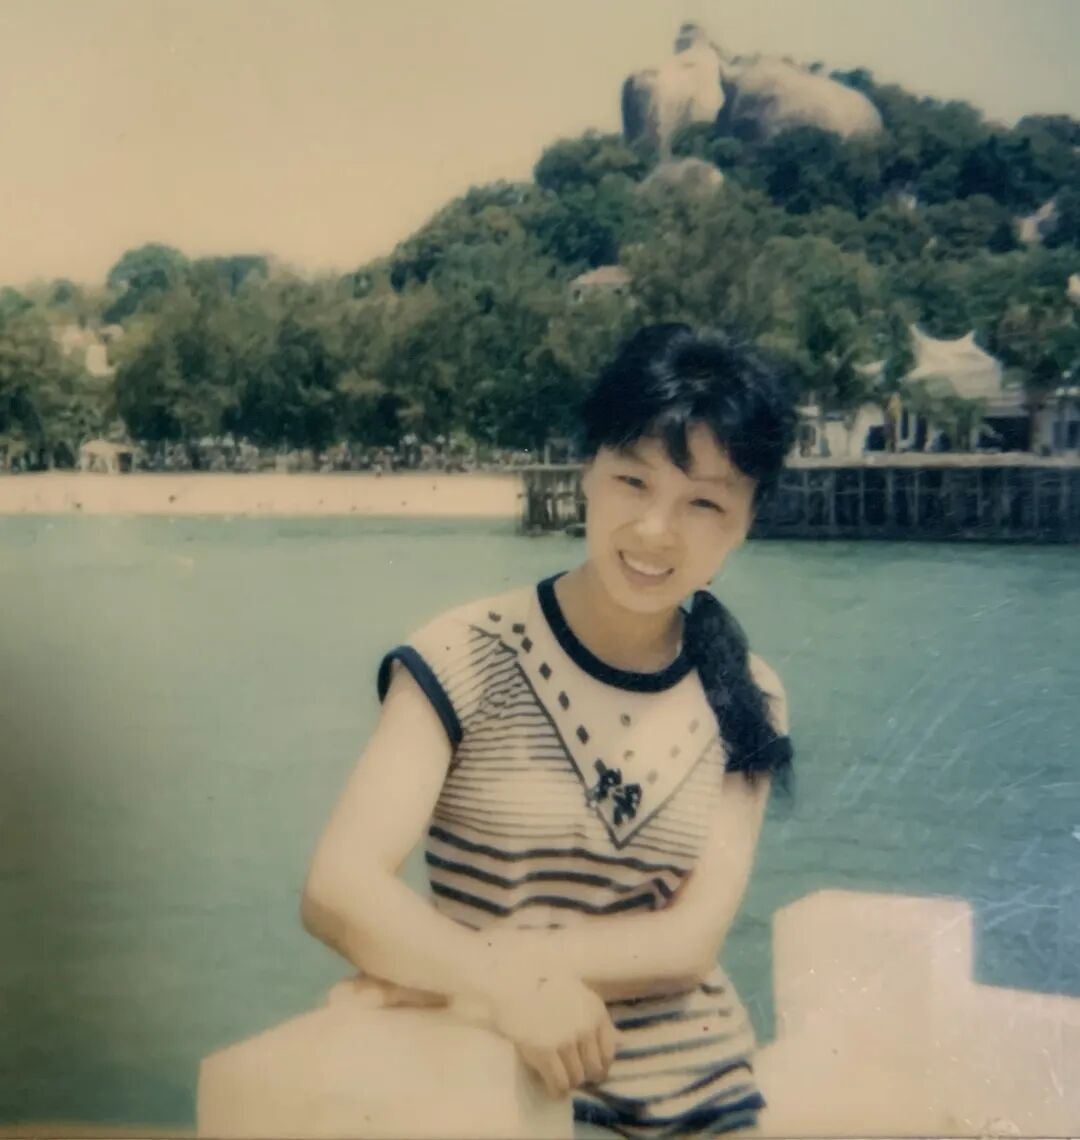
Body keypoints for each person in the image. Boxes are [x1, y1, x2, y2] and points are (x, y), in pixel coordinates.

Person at [300, 323, 799, 1138]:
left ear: (745, 521)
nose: (655, 530)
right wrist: (502, 990)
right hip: (510, 1100)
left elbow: (691, 940)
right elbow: (338, 887)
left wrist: (462, 968)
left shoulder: (749, 692)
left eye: (704, 503)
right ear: (586, 471)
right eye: (632, 481)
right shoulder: (461, 657)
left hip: (706, 1106)